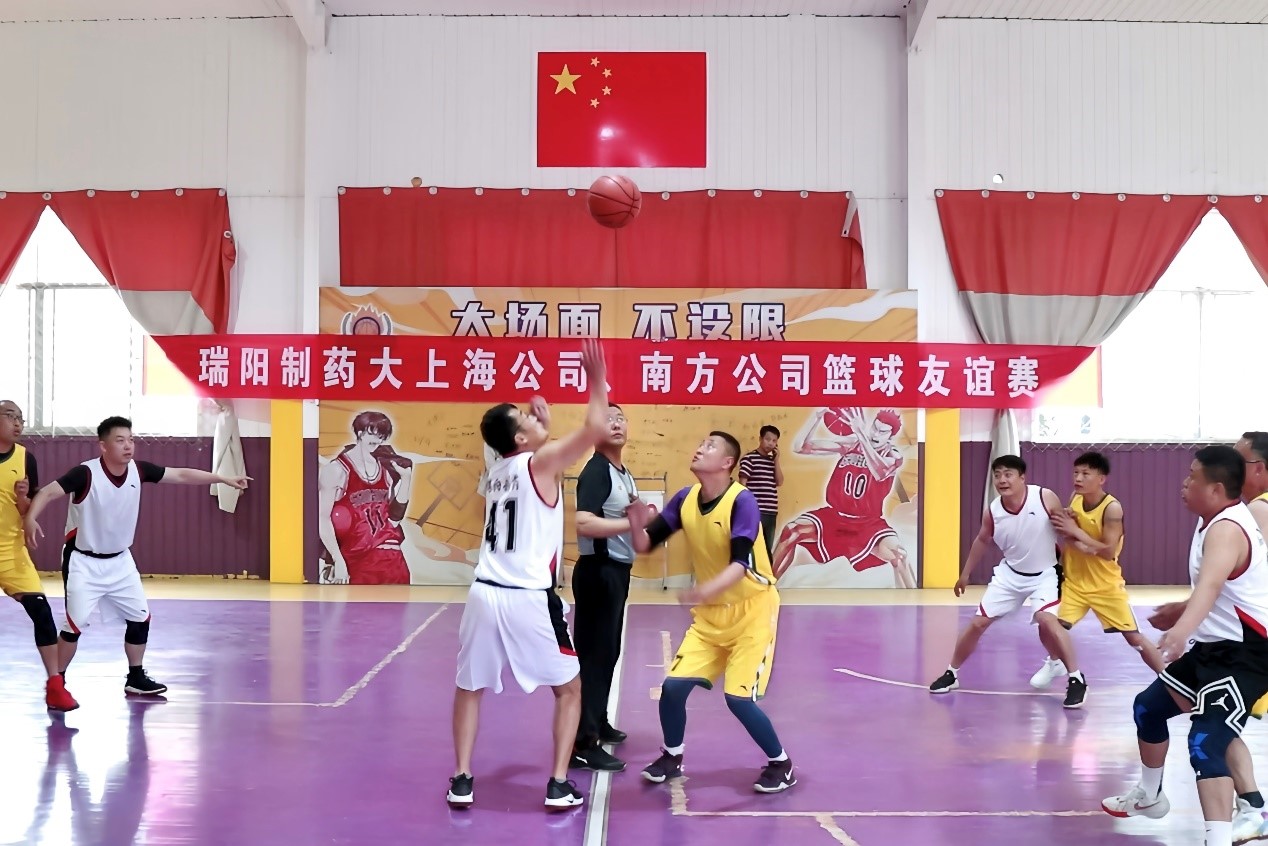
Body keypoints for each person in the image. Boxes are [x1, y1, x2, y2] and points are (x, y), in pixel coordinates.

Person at [447, 339, 608, 812]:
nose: (536, 417)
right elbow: (595, 428)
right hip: (527, 597)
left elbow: (533, 459)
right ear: (519, 439)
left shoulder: (498, 470)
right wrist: (597, 379)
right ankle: (558, 784)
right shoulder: (540, 462)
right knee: (570, 689)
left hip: (483, 593)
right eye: (527, 419)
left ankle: (461, 779)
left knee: (469, 687)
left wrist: (541, 429)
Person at [1102, 446, 1268, 846]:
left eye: (1192, 477)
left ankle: (1220, 837)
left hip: (1248, 653)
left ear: (1215, 489)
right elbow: (1222, 586)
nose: (1184, 482)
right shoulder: (1209, 520)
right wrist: (1181, 611)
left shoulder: (1227, 529)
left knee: (1206, 741)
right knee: (1149, 707)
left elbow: (1210, 587)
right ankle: (1150, 795)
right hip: (1215, 648)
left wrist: (1179, 631)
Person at [24, 416, 250, 699]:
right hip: (83, 562)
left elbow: (181, 475)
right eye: (120, 440)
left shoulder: (139, 470)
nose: (128, 446)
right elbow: (48, 492)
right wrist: (30, 518)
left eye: (131, 440)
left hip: (121, 561)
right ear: (103, 446)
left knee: (140, 618)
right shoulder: (85, 473)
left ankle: (135, 677)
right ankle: (57, 681)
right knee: (73, 626)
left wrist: (222, 478)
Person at [626, 430, 796, 794]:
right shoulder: (685, 499)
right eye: (700, 442)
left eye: (710, 446)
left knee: (738, 698)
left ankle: (781, 764)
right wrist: (636, 521)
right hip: (711, 616)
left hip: (752, 610)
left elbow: (740, 564)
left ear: (727, 462)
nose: (699, 448)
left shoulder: (742, 500)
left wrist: (705, 590)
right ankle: (672, 756)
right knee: (672, 689)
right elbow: (644, 545)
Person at [928, 454, 1086, 708]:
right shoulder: (993, 511)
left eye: (1008, 474)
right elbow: (982, 540)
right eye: (997, 475)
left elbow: (1065, 531)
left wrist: (1075, 557)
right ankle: (951, 673)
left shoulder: (1044, 497)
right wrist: (965, 574)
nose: (1002, 480)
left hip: (1046, 574)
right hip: (1010, 574)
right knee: (978, 623)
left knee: (1046, 621)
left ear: (1022, 478)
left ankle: (1076, 678)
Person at [1029, 451, 1166, 689]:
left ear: (1101, 479)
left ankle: (1170, 679)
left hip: (1105, 586)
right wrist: (1072, 533)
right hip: (1074, 582)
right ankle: (1055, 662)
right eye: (1075, 472)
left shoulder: (1112, 508)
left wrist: (1076, 532)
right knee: (1046, 625)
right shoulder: (1075, 498)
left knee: (1134, 638)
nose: (1078, 478)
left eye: (1085, 474)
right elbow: (1069, 536)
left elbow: (1108, 551)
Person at [773, 407, 915, 588]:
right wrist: (816, 417)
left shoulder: (893, 455)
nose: (875, 434)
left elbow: (879, 471)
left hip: (867, 523)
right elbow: (800, 447)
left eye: (882, 431)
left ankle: (911, 598)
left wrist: (861, 434)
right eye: (875, 427)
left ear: (890, 436)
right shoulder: (851, 444)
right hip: (835, 517)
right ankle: (768, 586)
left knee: (900, 556)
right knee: (791, 531)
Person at [570, 403, 637, 773]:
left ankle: (598, 718)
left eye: (620, 417)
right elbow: (583, 523)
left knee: (608, 652)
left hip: (617, 572)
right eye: (607, 419)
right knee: (594, 657)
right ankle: (583, 742)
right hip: (598, 572)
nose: (616, 423)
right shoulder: (596, 470)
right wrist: (631, 524)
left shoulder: (623, 474)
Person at [0, 400, 77, 711]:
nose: (18, 423)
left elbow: (27, 510)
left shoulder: (25, 459)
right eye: (10, 416)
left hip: (11, 552)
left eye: (21, 418)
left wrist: (22, 498)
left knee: (42, 613)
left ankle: (55, 686)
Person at [318, 411, 414, 585]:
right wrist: (337, 559)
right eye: (373, 433)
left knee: (399, 602)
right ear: (360, 432)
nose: (377, 439)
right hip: (357, 557)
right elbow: (322, 518)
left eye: (382, 436)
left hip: (392, 556)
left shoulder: (386, 467)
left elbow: (394, 519)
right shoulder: (336, 470)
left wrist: (406, 479)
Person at [738, 425, 783, 559]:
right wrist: (745, 510)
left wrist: (776, 461)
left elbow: (779, 482)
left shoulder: (772, 462)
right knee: (753, 548)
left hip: (771, 512)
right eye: (768, 439)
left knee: (767, 549)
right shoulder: (749, 459)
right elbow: (742, 485)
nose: (770, 443)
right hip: (755, 511)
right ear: (760, 439)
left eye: (774, 441)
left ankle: (766, 572)